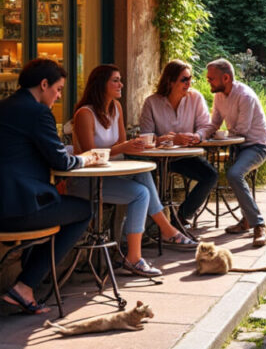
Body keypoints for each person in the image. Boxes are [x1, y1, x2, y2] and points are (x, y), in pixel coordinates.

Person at [0, 59, 94, 315]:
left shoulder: (0, 107)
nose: (58, 96)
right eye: (57, 89)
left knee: (54, 206)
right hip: (14, 212)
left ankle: (29, 274)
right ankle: (25, 285)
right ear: (44, 85)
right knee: (84, 210)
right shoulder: (38, 113)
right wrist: (86, 159)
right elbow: (61, 161)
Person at [70, 65, 197, 279]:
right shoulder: (85, 114)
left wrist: (141, 145)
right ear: (101, 84)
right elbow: (90, 155)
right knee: (140, 193)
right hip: (87, 180)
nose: (121, 84)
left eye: (120, 80)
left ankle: (162, 233)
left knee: (143, 174)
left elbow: (121, 146)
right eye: (115, 80)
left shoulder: (116, 108)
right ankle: (137, 255)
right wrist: (124, 147)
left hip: (110, 173)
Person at [138, 59, 218, 232]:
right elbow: (146, 137)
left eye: (190, 79)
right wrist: (170, 140)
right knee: (148, 181)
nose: (189, 83)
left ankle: (181, 217)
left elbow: (206, 126)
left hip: (185, 156)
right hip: (157, 159)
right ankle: (152, 225)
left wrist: (197, 136)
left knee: (210, 175)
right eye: (184, 79)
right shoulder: (152, 103)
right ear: (170, 81)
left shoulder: (195, 98)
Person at [203, 58, 266, 247]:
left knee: (234, 174)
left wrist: (220, 136)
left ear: (226, 78)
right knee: (220, 173)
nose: (208, 81)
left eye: (211, 78)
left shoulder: (245, 96)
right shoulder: (219, 96)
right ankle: (247, 220)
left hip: (256, 146)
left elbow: (242, 130)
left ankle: (259, 225)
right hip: (236, 147)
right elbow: (214, 123)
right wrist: (198, 135)